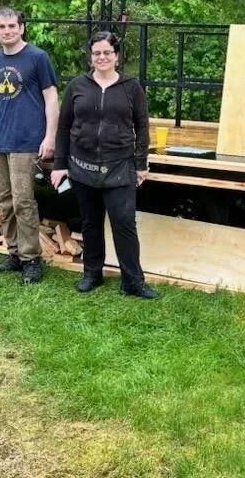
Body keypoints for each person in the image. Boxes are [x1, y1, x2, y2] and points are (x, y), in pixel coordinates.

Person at [50, 31, 157, 299]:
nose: (102, 57)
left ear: (117, 57)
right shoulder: (77, 86)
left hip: (120, 166)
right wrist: (60, 165)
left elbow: (142, 126)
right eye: (97, 53)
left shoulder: (131, 87)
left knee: (124, 223)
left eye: (107, 53)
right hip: (82, 166)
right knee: (91, 222)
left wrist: (141, 164)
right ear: (91, 56)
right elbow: (63, 127)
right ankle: (92, 274)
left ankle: (133, 281)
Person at [0, 7, 59, 285]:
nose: (7, 31)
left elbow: (52, 98)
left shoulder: (37, 58)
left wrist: (50, 137)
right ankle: (14, 253)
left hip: (27, 141)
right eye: (1, 27)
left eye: (12, 26)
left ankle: (32, 259)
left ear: (21, 28)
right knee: (5, 201)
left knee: (23, 201)